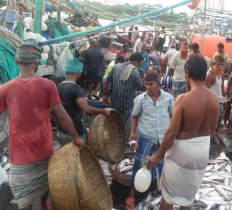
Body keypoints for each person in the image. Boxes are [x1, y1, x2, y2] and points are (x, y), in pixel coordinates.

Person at [0, 43, 85, 210]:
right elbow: (61, 115)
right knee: (45, 183)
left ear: (16, 60)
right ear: (36, 61)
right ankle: (42, 205)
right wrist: (75, 138)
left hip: (19, 151)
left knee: (23, 194)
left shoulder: (6, 88)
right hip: (42, 147)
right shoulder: (47, 85)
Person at [148, 56, 220, 210]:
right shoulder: (215, 99)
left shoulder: (183, 99)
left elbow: (171, 133)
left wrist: (158, 155)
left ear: (187, 74)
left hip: (182, 153)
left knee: (169, 196)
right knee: (187, 198)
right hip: (202, 151)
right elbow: (213, 129)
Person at [126, 72, 174, 210]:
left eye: (151, 84)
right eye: (146, 84)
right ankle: (131, 193)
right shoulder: (140, 99)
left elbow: (173, 115)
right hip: (145, 138)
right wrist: (133, 133)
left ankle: (158, 191)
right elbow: (134, 116)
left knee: (161, 166)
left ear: (159, 84)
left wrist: (173, 135)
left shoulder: (168, 98)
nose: (148, 87)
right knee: (139, 165)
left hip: (163, 140)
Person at [57, 59, 111, 146]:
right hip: (76, 130)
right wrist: (104, 111)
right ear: (78, 73)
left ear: (66, 72)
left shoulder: (58, 87)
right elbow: (86, 109)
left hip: (62, 129)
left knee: (68, 156)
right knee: (80, 156)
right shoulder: (76, 89)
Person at [103, 52, 144, 144]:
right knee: (125, 126)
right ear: (136, 62)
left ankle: (112, 142)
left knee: (114, 123)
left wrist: (105, 95)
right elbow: (140, 85)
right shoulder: (134, 71)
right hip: (127, 105)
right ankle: (122, 145)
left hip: (115, 103)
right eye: (139, 64)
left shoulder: (116, 66)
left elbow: (106, 81)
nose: (139, 66)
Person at [205, 55, 226, 130]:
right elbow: (205, 91)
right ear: (214, 64)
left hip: (220, 101)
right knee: (211, 123)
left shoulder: (221, 73)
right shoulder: (210, 75)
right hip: (212, 103)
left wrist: (224, 98)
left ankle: (213, 136)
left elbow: (222, 87)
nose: (220, 66)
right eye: (218, 64)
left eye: (222, 64)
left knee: (217, 123)